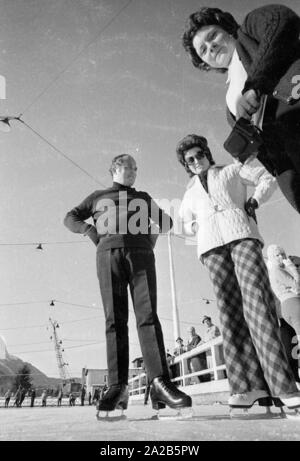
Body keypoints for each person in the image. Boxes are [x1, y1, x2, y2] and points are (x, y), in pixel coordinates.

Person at [177, 133, 300, 412]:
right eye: (190, 159)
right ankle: (247, 388)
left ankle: (283, 387)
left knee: (257, 304)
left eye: (199, 155)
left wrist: (254, 202)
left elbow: (266, 179)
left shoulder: (231, 169)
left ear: (207, 153)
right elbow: (184, 222)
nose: (196, 161)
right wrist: (199, 230)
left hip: (242, 236)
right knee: (230, 313)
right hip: (211, 249)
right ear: (186, 164)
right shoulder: (189, 191)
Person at [64, 154, 192, 415]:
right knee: (114, 320)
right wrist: (90, 232)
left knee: (148, 317)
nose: (133, 171)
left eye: (135, 168)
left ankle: (159, 382)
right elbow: (70, 217)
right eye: (127, 167)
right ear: (114, 169)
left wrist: (149, 241)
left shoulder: (143, 197)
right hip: (107, 255)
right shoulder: (98, 196)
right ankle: (117, 387)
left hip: (141, 256)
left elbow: (165, 222)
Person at [182, 4, 300, 214]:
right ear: (204, 63)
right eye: (203, 50)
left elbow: (283, 21)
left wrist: (254, 86)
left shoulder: (249, 28)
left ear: (227, 30)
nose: (211, 47)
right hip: (289, 164)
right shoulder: (229, 102)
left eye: (213, 36)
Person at [267, 244, 300, 383]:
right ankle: (294, 380)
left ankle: (294, 380)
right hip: (285, 312)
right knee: (290, 349)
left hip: (287, 309)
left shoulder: (282, 270)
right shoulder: (277, 271)